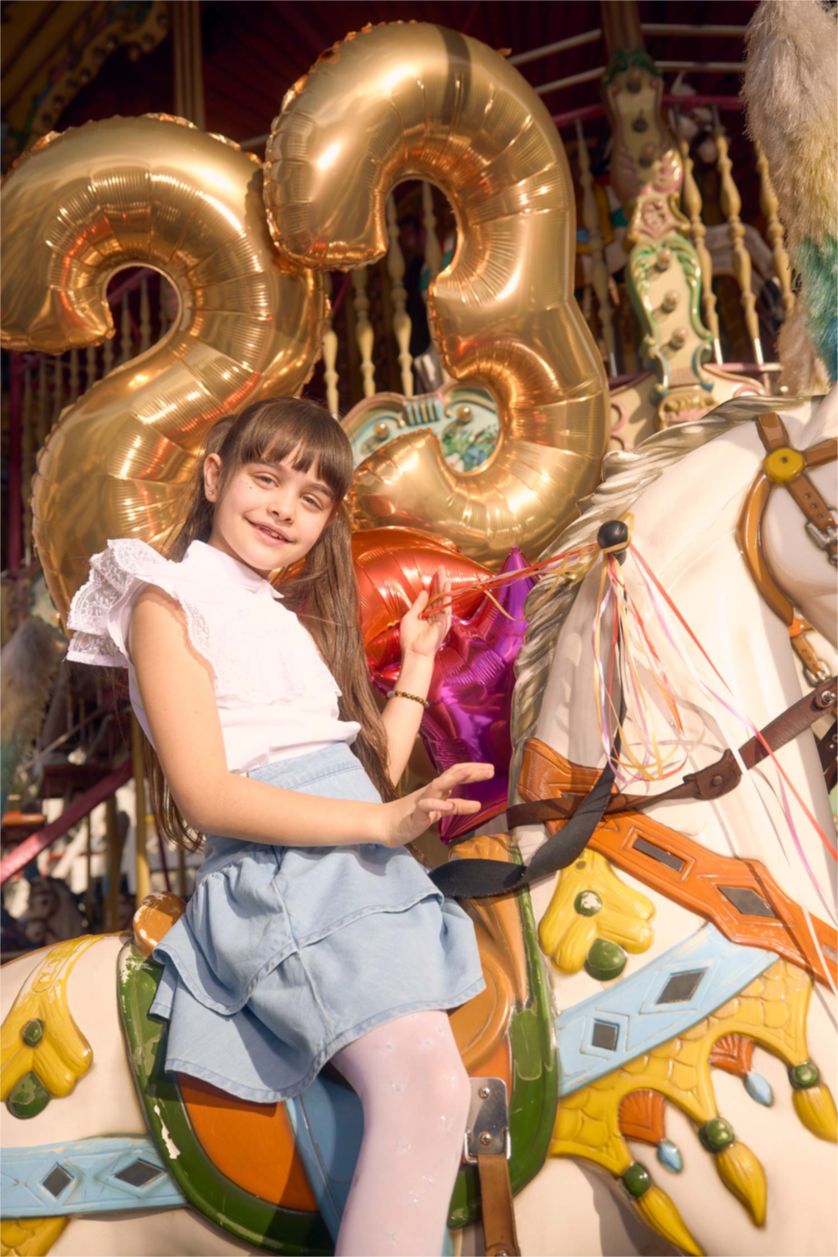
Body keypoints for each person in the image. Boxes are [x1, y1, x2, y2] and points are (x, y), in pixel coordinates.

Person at [66, 396, 492, 1256]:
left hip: (355, 869)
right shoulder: (167, 597)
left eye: (311, 499)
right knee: (427, 1090)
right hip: (285, 877)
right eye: (266, 479)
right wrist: (380, 820)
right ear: (215, 476)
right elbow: (207, 794)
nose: (283, 509)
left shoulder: (281, 617)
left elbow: (362, 775)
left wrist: (413, 664)